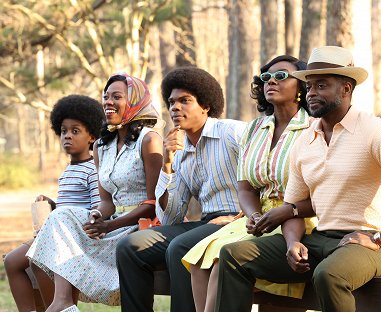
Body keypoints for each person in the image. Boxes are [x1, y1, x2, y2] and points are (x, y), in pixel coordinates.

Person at [215, 46, 381, 312]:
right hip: (318, 239)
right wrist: (293, 242)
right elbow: (293, 206)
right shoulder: (305, 140)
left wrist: (380, 239)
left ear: (346, 89)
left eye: (321, 85)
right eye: (309, 86)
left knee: (329, 275)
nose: (312, 93)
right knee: (234, 255)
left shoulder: (375, 131)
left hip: (371, 242)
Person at [182, 55, 316, 312]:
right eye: (266, 78)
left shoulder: (313, 128)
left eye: (281, 76)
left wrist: (280, 213)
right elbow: (245, 188)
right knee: (199, 259)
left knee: (225, 260)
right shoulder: (255, 129)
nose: (271, 82)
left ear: (300, 86)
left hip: (297, 216)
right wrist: (253, 214)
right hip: (257, 217)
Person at [26, 73, 163, 312]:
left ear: (135, 101)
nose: (108, 101)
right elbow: (106, 202)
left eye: (117, 97)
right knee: (62, 215)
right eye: (106, 96)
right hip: (110, 223)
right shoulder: (101, 145)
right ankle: (63, 301)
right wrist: (96, 216)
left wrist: (109, 226)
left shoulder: (148, 140)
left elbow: (154, 203)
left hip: (140, 226)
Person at [116, 67, 246, 312]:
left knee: (181, 247)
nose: (175, 107)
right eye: (171, 102)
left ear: (205, 105)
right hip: (208, 223)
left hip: (242, 221)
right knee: (130, 246)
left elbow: (263, 175)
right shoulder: (180, 148)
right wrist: (167, 163)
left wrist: (244, 216)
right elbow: (170, 217)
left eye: (185, 101)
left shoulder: (232, 132)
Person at [4, 95, 104, 312]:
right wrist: (52, 204)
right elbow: (69, 206)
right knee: (12, 262)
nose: (67, 136)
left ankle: (58, 307)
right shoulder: (68, 170)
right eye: (64, 131)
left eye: (75, 131)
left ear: (92, 136)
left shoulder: (93, 170)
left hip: (73, 240)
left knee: (39, 261)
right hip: (54, 233)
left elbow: (96, 209)